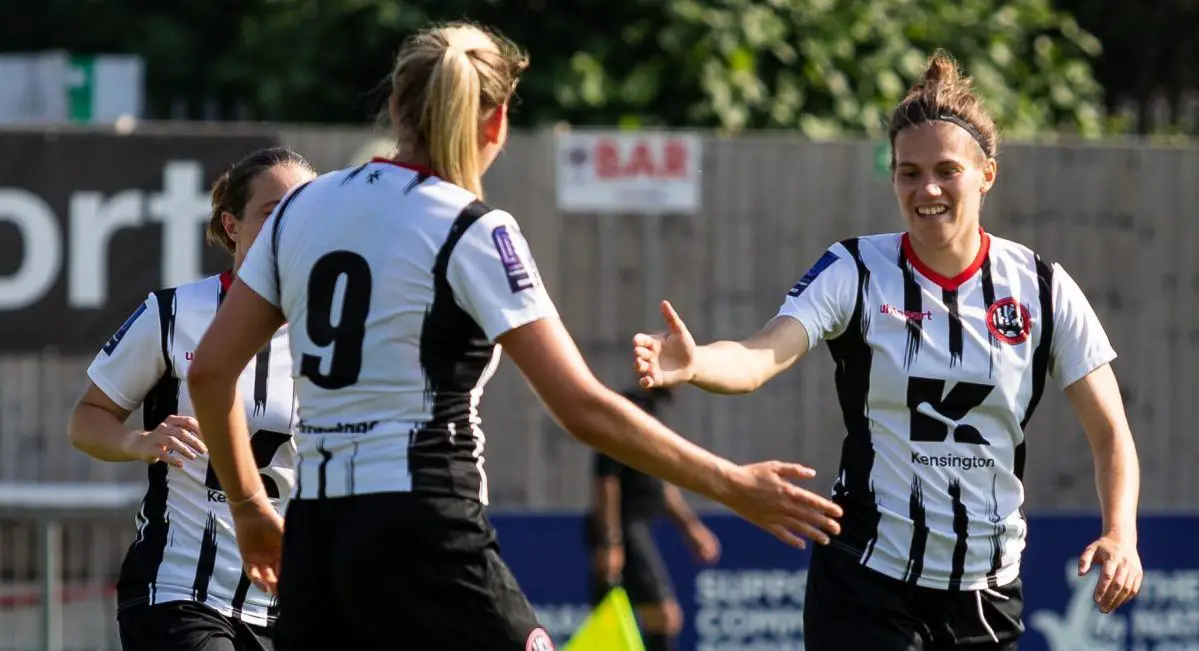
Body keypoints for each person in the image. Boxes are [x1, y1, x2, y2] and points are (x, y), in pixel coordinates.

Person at [184, 20, 843, 651]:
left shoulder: (301, 207)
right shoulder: (469, 226)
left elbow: (211, 372)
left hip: (318, 535)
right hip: (423, 523)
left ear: (393, 104)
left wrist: (247, 506)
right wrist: (728, 482)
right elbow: (580, 406)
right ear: (495, 122)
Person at [632, 50, 1143, 651]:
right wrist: (697, 363)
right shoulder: (855, 269)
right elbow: (760, 355)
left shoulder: (1043, 288)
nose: (926, 188)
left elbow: (1111, 433)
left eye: (946, 170)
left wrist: (1121, 534)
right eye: (908, 172)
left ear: (987, 175)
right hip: (865, 582)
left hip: (987, 591)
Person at [68, 147, 317, 651]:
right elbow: (86, 419)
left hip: (293, 602)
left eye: (306, 213)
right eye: (273, 213)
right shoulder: (174, 312)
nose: (292, 227)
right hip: (179, 591)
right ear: (232, 226)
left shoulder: (334, 328)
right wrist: (138, 441)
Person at [586, 386, 720, 651]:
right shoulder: (625, 411)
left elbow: (660, 486)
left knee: (647, 621)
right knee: (662, 618)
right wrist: (611, 541)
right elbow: (607, 482)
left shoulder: (653, 415)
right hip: (624, 530)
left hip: (636, 529)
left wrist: (690, 527)